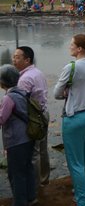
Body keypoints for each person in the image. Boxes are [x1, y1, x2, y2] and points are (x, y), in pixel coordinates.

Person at [53, 34, 85, 206]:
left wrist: (67, 92)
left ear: (79, 48)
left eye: (72, 44)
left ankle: (82, 200)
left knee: (76, 162)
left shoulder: (72, 67)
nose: (69, 46)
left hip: (75, 117)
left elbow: (56, 93)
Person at [12, 46, 50, 188]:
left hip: (34, 118)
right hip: (43, 113)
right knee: (42, 149)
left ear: (27, 60)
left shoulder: (24, 79)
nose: (13, 60)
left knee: (34, 153)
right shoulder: (37, 72)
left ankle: (34, 185)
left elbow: (20, 103)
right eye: (14, 56)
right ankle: (44, 179)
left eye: (17, 57)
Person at [0, 64, 37, 206]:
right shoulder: (22, 92)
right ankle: (31, 197)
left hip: (16, 141)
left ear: (3, 82)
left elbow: (2, 119)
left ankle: (20, 202)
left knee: (16, 174)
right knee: (27, 168)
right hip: (29, 137)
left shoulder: (8, 97)